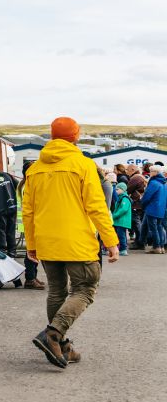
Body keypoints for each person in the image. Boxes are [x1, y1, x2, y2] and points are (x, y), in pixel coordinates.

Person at [23, 116, 119, 369]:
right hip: (77, 241)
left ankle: (61, 346)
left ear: (52, 136)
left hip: (47, 241)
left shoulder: (34, 169)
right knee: (86, 288)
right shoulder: (83, 165)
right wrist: (111, 240)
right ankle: (53, 334)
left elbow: (28, 212)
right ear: (75, 137)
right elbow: (96, 206)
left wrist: (31, 244)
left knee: (56, 291)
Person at [16, 159, 46, 289]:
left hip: (28, 222)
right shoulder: (26, 185)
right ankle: (30, 278)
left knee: (34, 251)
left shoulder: (24, 184)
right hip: (29, 222)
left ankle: (33, 276)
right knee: (31, 252)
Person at [140, 165, 167, 253]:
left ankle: (156, 247)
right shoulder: (163, 183)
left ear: (155, 172)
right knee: (159, 227)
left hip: (152, 208)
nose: (150, 173)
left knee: (153, 228)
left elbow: (147, 196)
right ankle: (161, 247)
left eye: (151, 171)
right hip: (161, 208)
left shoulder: (153, 183)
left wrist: (142, 204)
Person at [126, 165, 147, 249]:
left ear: (133, 169)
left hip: (136, 204)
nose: (126, 171)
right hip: (139, 204)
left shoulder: (135, 178)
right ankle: (140, 241)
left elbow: (128, 189)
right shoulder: (140, 176)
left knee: (136, 223)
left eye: (128, 170)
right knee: (138, 222)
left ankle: (140, 242)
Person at [111, 181, 132, 256]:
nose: (116, 191)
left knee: (121, 235)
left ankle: (123, 249)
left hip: (122, 221)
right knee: (121, 235)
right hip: (120, 221)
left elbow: (123, 209)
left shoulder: (124, 199)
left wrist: (114, 215)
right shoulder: (121, 198)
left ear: (123, 190)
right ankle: (122, 248)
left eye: (117, 189)